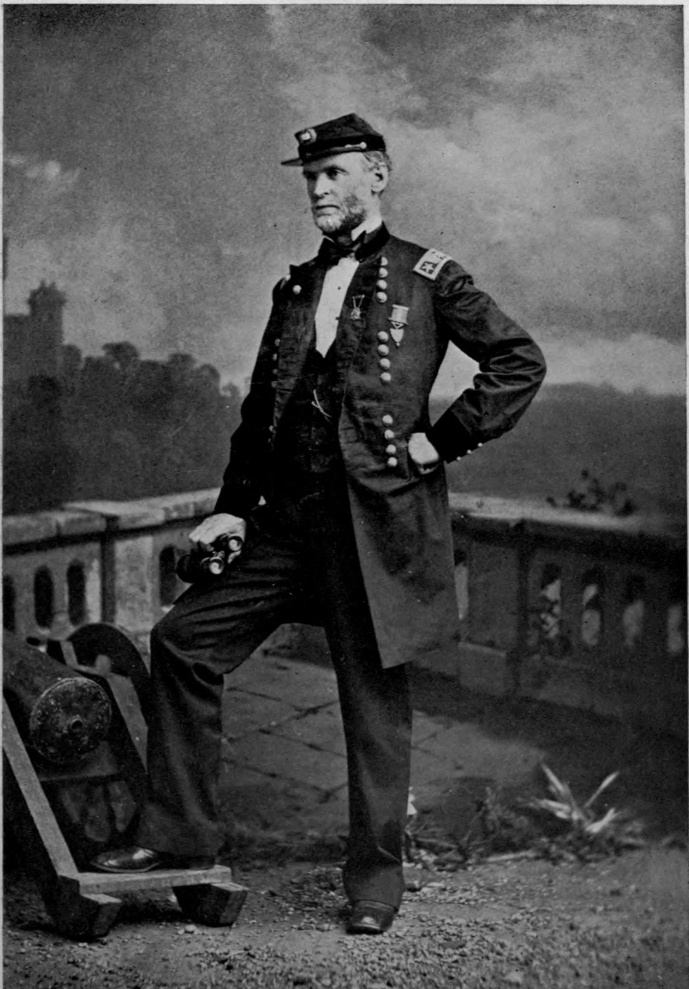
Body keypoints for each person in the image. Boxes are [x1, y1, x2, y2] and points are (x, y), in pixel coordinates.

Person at [93, 113, 546, 935]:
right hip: (284, 523)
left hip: (372, 526)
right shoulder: (297, 285)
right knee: (184, 642)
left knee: (372, 702)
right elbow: (262, 409)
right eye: (310, 177)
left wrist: (441, 439)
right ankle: (179, 836)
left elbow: (518, 360)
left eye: (333, 173)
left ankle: (375, 879)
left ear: (377, 174)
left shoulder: (429, 276)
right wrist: (231, 506)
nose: (317, 189)